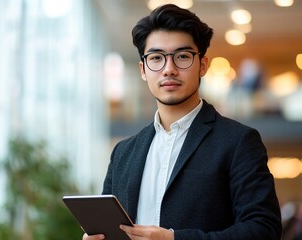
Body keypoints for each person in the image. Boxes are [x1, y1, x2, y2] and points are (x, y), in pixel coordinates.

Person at [83, 4, 282, 240]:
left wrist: (174, 239)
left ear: (203, 65)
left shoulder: (238, 141)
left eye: (183, 57)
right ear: (143, 70)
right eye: (156, 58)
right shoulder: (123, 153)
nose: (169, 69)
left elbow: (263, 230)